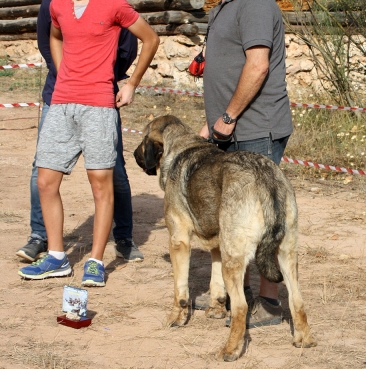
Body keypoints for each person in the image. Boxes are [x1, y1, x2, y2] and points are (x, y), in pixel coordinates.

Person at [17, 0, 159, 286]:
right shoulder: (57, 4)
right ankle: (57, 257)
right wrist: (64, 74)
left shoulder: (114, 5)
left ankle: (94, 261)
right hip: (60, 104)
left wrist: (131, 83)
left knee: (100, 183)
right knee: (45, 180)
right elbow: (54, 36)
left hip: (99, 106)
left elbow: (151, 38)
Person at [194, 0, 294, 327]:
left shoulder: (254, 3)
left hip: (254, 130)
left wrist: (228, 116)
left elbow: (258, 65)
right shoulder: (223, 7)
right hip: (231, 131)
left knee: (262, 219)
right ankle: (243, 296)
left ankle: (269, 302)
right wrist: (212, 123)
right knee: (237, 220)